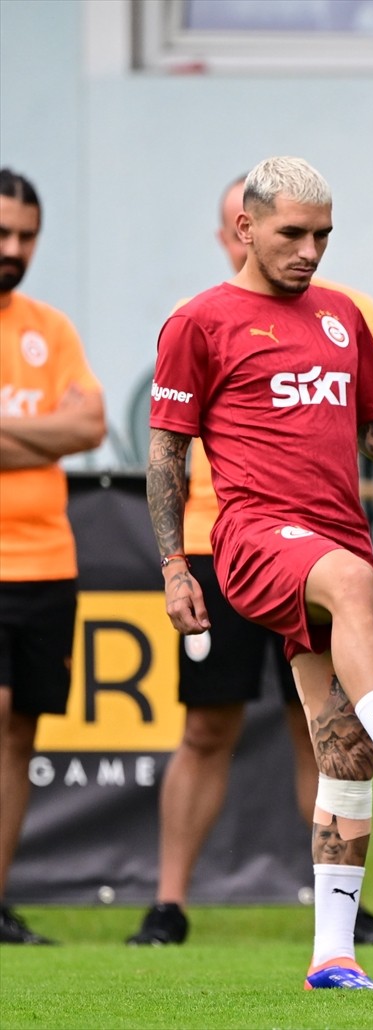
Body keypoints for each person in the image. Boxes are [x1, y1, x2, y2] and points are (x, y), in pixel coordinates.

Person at [146, 156, 373, 990]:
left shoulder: (342, 317)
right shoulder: (200, 321)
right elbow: (167, 452)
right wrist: (175, 564)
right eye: (293, 233)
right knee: (356, 586)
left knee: (340, 752)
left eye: (323, 234)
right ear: (244, 229)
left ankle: (332, 955)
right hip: (250, 535)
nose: (310, 250)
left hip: (333, 530)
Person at [0, 168, 107, 944]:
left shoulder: (51, 327)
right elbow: (61, 429)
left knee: (20, 733)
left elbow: (89, 427)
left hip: (46, 563)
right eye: (2, 233)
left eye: (26, 236)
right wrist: (46, 434)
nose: (13, 249)